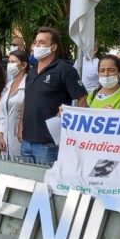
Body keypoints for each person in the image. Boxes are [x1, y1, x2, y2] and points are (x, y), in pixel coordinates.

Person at [18, 27, 87, 165]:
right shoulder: (32, 70)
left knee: (46, 184)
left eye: (42, 42)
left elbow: (83, 98)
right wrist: (21, 125)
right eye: (36, 42)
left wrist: (70, 122)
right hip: (26, 140)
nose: (37, 46)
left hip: (49, 144)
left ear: (53, 47)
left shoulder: (65, 70)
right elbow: (28, 98)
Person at [0, 50, 28, 160]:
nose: (10, 65)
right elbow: (1, 114)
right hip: (5, 140)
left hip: (21, 138)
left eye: (13, 62)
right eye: (9, 62)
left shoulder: (29, 85)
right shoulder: (8, 85)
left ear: (23, 65)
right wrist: (1, 136)